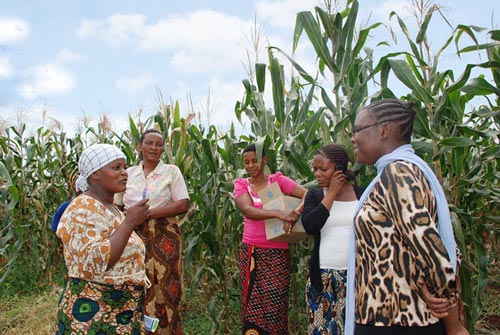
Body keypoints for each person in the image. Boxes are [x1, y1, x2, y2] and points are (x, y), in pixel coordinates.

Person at [345, 99, 469, 335]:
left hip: (393, 321)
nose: (353, 138)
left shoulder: (397, 174)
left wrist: (441, 297)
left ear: (385, 130)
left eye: (358, 130)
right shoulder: (408, 171)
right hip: (400, 320)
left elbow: (432, 250)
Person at [55, 143, 150, 334]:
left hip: (121, 313)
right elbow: (98, 261)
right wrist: (130, 223)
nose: (124, 173)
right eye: (116, 167)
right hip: (93, 316)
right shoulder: (82, 209)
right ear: (94, 174)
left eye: (124, 167)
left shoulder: (113, 209)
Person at [116, 129, 190, 334]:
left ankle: (169, 329)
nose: (154, 148)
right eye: (149, 143)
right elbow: (117, 205)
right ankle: (142, 330)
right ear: (140, 146)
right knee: (138, 283)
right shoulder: (128, 173)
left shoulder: (172, 171)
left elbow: (183, 203)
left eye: (159, 144)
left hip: (165, 235)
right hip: (134, 235)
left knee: (168, 285)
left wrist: (148, 214)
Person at [233, 143, 307, 335]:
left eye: (255, 161)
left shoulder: (277, 180)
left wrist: (294, 213)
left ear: (264, 160)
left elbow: (307, 195)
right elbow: (248, 210)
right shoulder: (242, 184)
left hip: (277, 252)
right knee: (252, 303)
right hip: (252, 253)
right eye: (246, 162)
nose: (250, 166)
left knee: (276, 303)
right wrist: (280, 214)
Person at [301, 144, 365, 335]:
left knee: (351, 329)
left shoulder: (362, 194)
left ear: (339, 169)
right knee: (320, 329)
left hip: (355, 277)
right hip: (322, 279)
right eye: (315, 169)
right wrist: (331, 194)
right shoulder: (315, 195)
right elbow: (310, 226)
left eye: (323, 169)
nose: (317, 174)